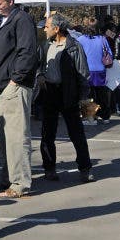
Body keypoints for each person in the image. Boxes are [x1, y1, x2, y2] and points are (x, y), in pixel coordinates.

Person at [0, 0, 38, 197]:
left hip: (15, 86)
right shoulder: (1, 22)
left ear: (10, 1)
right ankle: (8, 177)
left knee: (17, 137)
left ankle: (19, 183)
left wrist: (15, 80)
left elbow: (27, 51)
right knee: (4, 138)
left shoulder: (22, 19)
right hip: (1, 88)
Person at [37, 14, 94, 183]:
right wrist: (40, 75)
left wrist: (83, 98)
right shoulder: (45, 45)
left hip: (69, 93)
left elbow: (83, 73)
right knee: (48, 133)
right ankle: (49, 168)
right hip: (49, 92)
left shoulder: (74, 47)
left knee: (76, 133)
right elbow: (39, 65)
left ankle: (85, 168)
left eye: (47, 26)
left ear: (57, 29)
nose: (44, 29)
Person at [76, 22, 112, 124]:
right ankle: (105, 116)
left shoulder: (80, 40)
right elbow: (109, 54)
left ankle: (90, 117)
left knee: (87, 95)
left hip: (85, 71)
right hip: (100, 70)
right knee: (102, 94)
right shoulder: (102, 39)